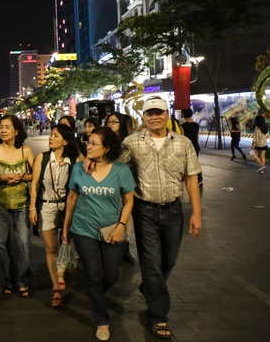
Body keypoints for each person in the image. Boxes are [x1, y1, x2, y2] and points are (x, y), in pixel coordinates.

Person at [119, 96, 202, 340]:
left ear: (167, 114)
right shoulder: (131, 142)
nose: (154, 117)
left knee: (169, 260)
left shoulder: (183, 143)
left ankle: (150, 288)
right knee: (151, 263)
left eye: (159, 112)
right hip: (144, 210)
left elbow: (191, 178)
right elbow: (116, 167)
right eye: (149, 113)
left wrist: (196, 213)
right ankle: (158, 315)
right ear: (143, 118)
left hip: (174, 210)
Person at [62, 126, 135, 341]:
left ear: (107, 148)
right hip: (84, 229)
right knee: (93, 274)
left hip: (113, 230)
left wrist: (121, 225)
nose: (88, 146)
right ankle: (102, 320)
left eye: (94, 143)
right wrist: (66, 227)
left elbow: (129, 200)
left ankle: (95, 296)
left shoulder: (121, 170)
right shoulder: (79, 169)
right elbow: (72, 199)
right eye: (88, 141)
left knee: (110, 275)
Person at [0, 114, 34, 298]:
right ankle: (9, 279)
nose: (3, 130)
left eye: (7, 127)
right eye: (1, 127)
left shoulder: (25, 151)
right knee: (2, 244)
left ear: (16, 130)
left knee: (23, 243)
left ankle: (22, 280)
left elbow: (35, 175)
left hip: (22, 203)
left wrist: (22, 177)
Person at [29, 124, 81, 308]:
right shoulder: (42, 158)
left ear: (65, 141)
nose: (51, 138)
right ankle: (55, 288)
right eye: (51, 135)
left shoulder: (75, 160)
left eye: (55, 136)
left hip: (67, 207)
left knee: (66, 241)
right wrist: (32, 208)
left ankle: (61, 272)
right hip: (46, 207)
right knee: (51, 248)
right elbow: (34, 185)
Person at [104, 112, 137, 264]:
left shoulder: (126, 144)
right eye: (109, 122)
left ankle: (125, 246)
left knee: (125, 215)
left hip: (121, 185)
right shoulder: (103, 140)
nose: (110, 124)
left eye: (114, 122)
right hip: (105, 185)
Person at [180, 109, 203, 187]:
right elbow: (197, 137)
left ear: (183, 115)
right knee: (195, 162)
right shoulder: (196, 125)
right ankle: (200, 179)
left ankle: (182, 179)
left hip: (186, 147)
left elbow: (182, 138)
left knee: (184, 163)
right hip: (195, 146)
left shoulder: (182, 126)